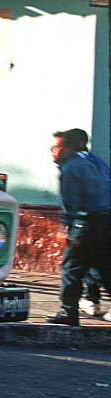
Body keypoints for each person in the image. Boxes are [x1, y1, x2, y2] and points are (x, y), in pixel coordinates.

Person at [46, 130, 111, 325]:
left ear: (69, 148)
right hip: (105, 221)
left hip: (85, 223)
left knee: (71, 269)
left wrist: (67, 229)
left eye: (57, 147)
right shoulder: (94, 162)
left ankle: (69, 312)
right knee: (104, 269)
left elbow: (72, 203)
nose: (53, 152)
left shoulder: (71, 167)